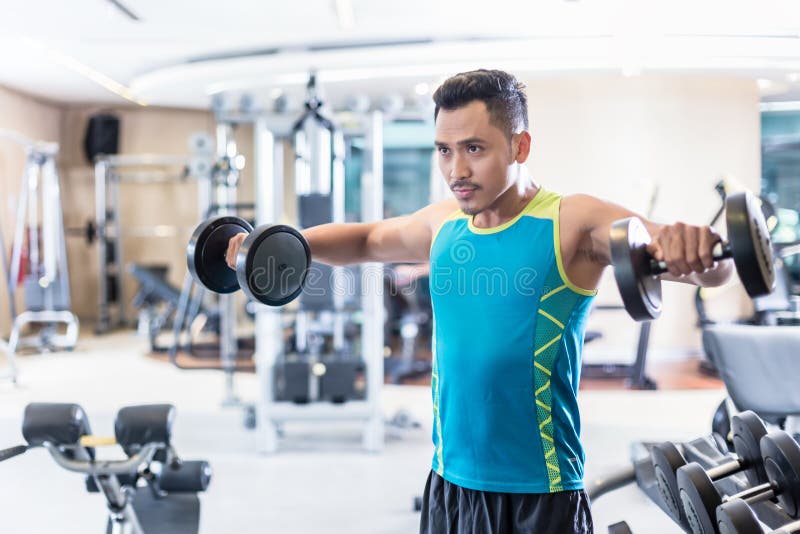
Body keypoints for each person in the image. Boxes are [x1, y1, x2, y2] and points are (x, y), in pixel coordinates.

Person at [226, 69, 733, 534]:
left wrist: (703, 252)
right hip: (450, 484)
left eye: (473, 148)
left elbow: (707, 262)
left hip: (541, 493)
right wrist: (270, 245)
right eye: (444, 150)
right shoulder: (444, 222)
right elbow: (365, 240)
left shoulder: (571, 221)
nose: (456, 169)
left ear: (520, 145)